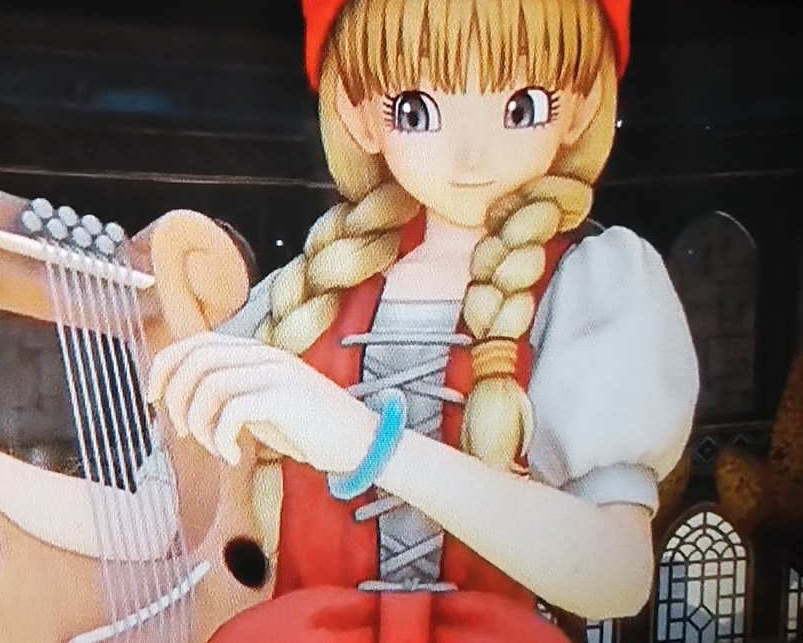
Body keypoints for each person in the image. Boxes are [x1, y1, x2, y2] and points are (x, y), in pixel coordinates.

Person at [146, 0, 699, 640]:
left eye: (522, 108)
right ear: (359, 115)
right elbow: (158, 516)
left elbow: (616, 576)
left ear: (580, 107)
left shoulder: (592, 284)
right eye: (417, 110)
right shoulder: (308, 291)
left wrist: (364, 442)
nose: (470, 157)